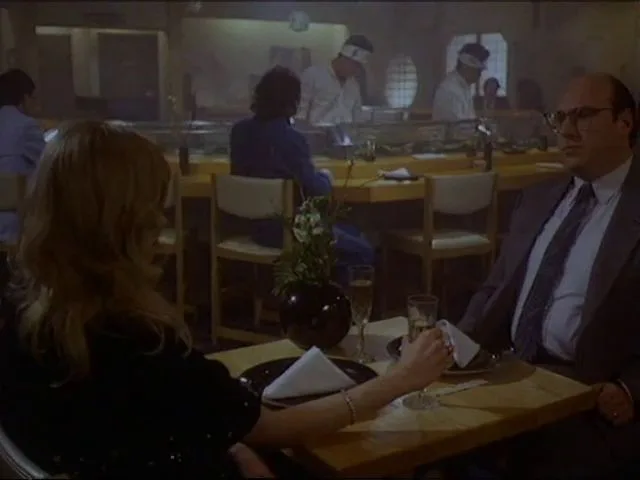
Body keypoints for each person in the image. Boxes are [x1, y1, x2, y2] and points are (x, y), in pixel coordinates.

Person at [0, 120, 453, 479]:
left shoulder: (23, 315)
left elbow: (153, 419)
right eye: (153, 205)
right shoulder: (139, 346)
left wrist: (227, 440)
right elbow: (276, 428)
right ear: (124, 222)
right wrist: (399, 380)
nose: (160, 219)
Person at [457, 73, 640, 478]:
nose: (567, 131)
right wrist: (453, 346)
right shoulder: (538, 197)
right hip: (510, 369)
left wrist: (631, 389)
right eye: (559, 118)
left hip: (589, 394)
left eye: (583, 116)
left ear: (625, 122)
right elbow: (495, 287)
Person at [230, 66, 375, 276]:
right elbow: (318, 192)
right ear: (293, 103)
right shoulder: (291, 139)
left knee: (352, 232)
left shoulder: (239, 132)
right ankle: (333, 295)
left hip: (250, 226)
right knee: (363, 252)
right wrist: (325, 178)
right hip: (288, 229)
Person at [0, 68, 45, 244]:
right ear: (24, 98)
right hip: (12, 226)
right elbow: (49, 165)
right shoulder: (26, 126)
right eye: (34, 98)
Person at [297, 35, 373, 125]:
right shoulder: (312, 75)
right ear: (343, 58)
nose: (357, 70)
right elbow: (300, 113)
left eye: (359, 66)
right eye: (355, 65)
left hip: (346, 132)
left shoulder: (354, 85)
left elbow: (357, 116)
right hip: (317, 131)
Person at [432, 43, 490, 122]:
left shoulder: (464, 88)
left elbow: (469, 119)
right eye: (477, 70)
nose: (479, 75)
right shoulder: (449, 90)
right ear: (465, 66)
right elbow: (457, 125)